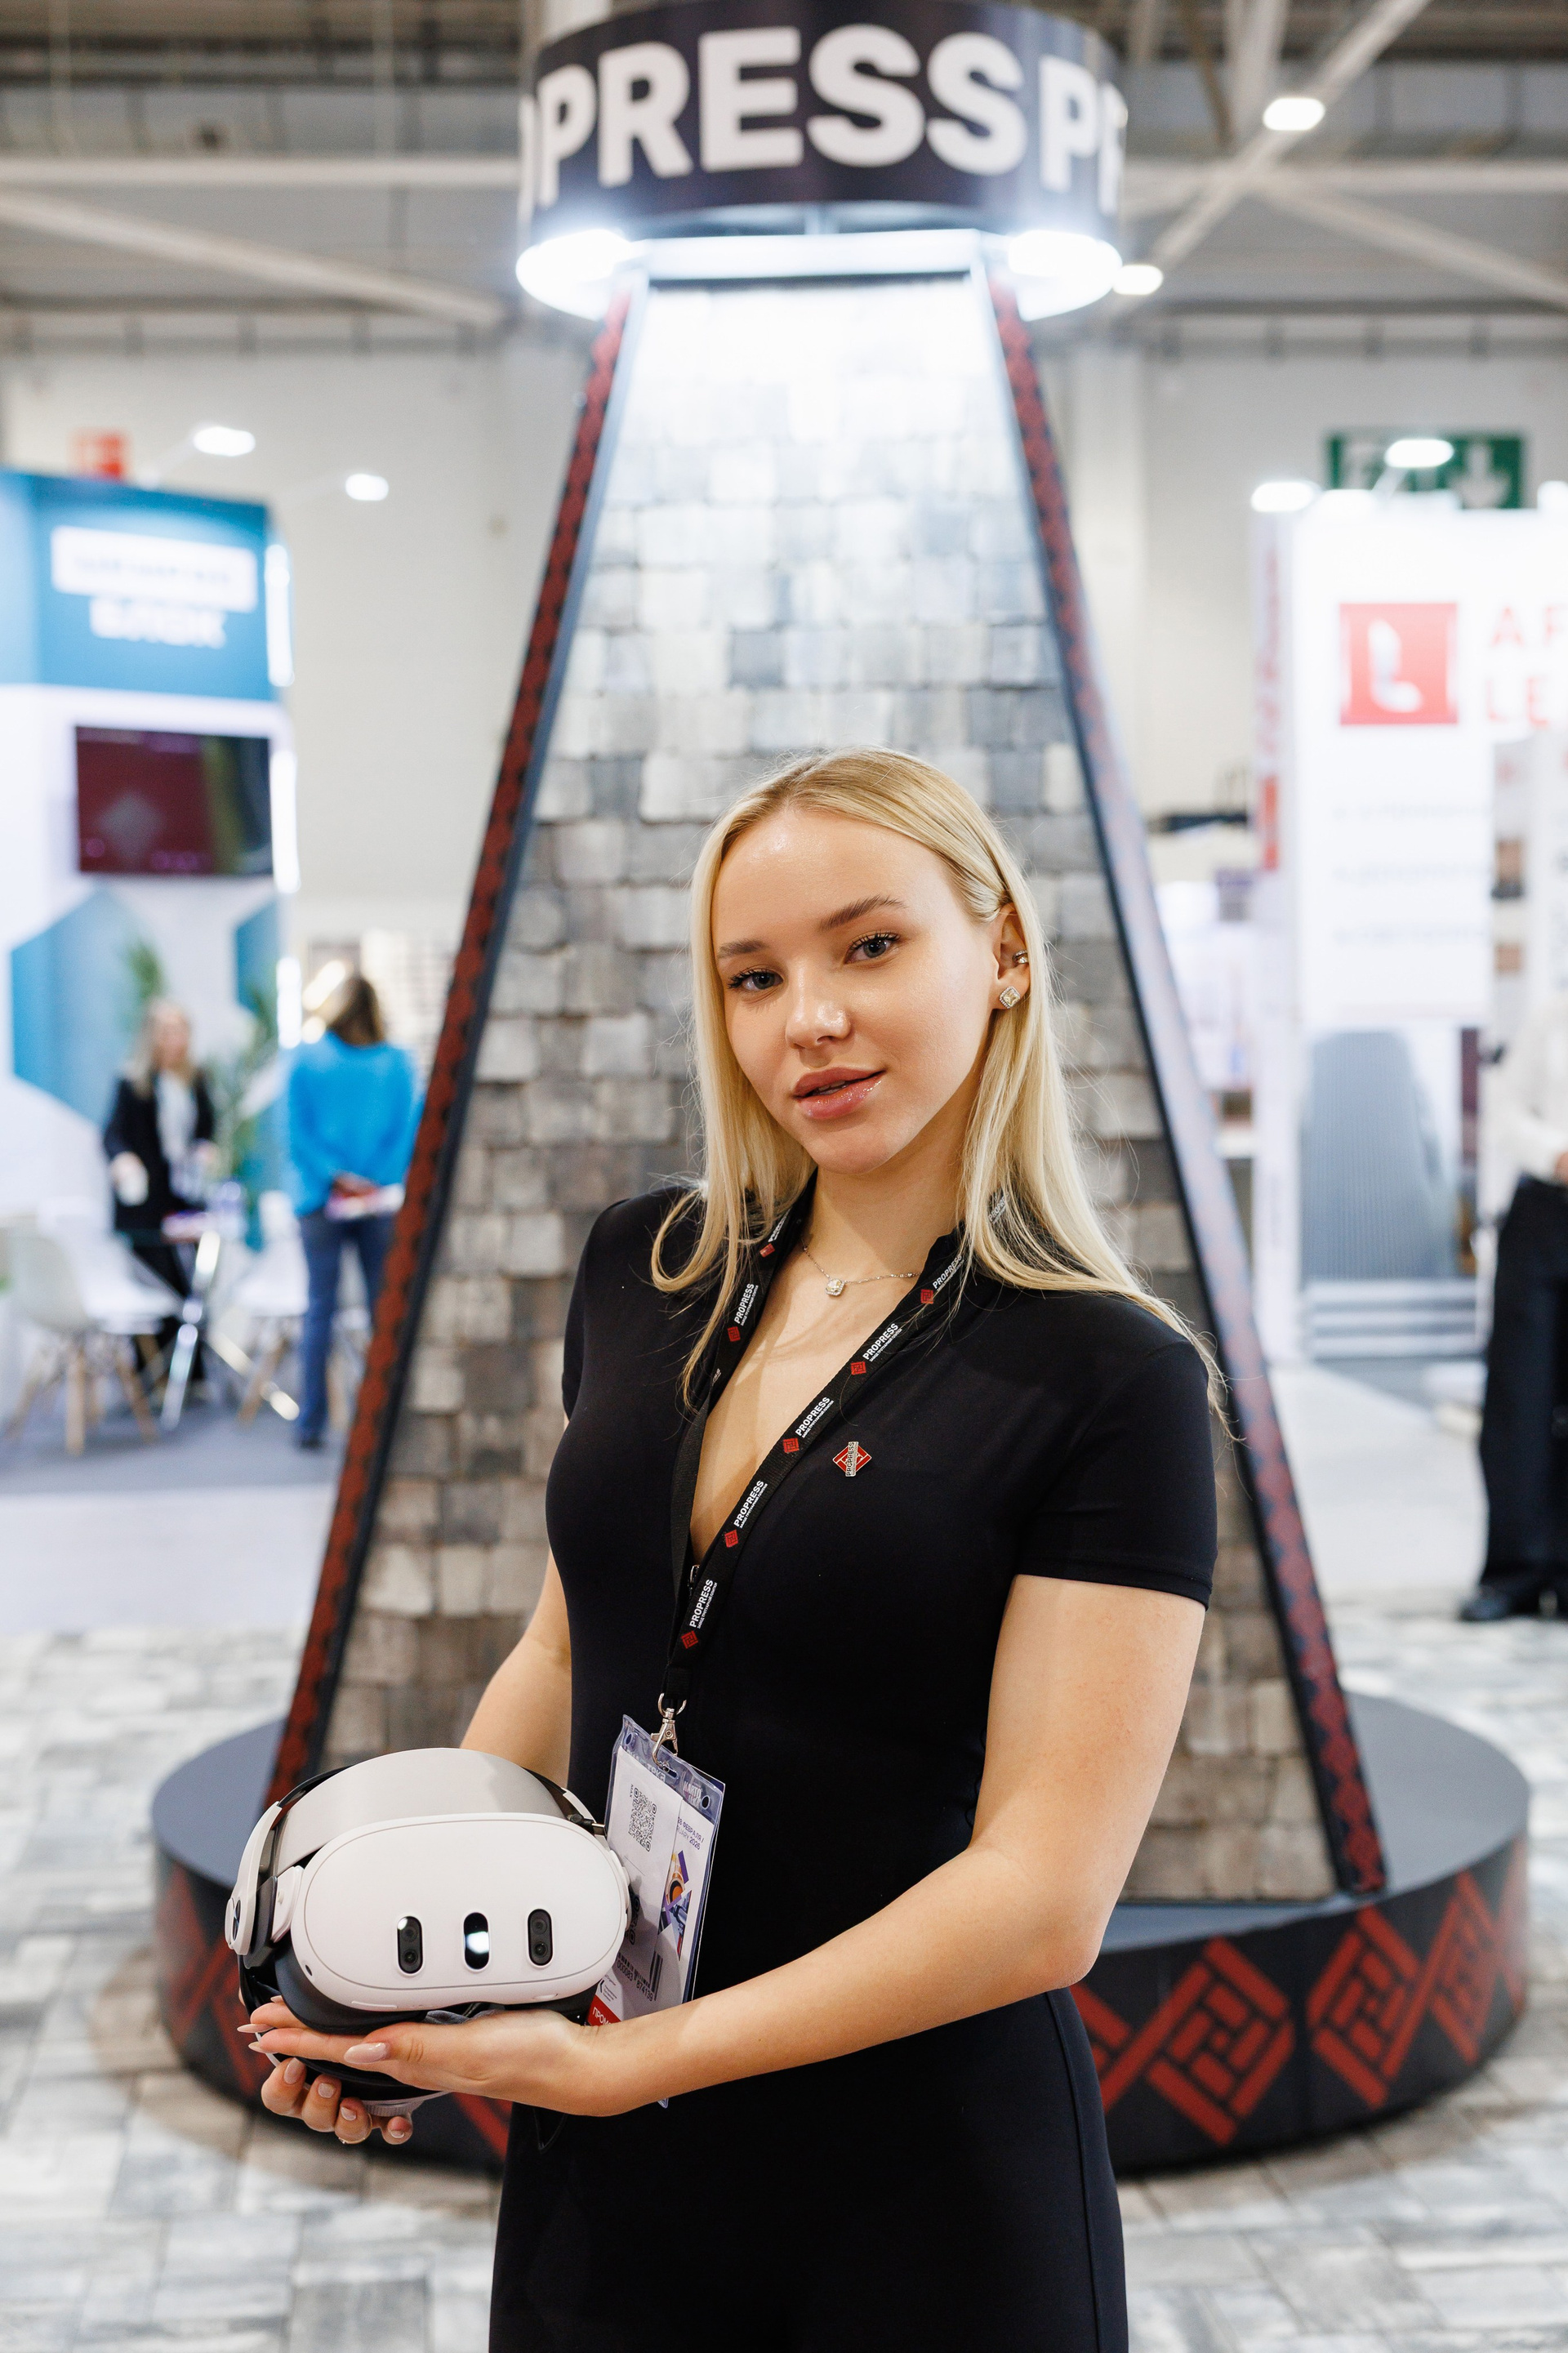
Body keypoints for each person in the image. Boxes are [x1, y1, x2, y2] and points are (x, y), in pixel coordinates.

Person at [248, 751, 1217, 2353]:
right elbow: (566, 1648)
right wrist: (412, 1990)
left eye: (869, 947)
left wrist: (629, 2062)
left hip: (917, 2187)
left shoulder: (1109, 1376)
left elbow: (1046, 1897)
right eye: (753, 977)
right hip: (606, 2162)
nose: (807, 1019)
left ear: (1002, 952)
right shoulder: (647, 1267)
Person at [1462, 993, 1568, 1620]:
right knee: (1518, 1401)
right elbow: (1504, 1112)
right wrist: (1557, 1154)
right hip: (1544, 1214)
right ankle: (1514, 1573)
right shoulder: (1553, 1014)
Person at [285, 974, 419, 1451]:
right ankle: (385, 1417)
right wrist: (372, 1180)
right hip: (376, 1201)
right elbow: (408, 1132)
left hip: (320, 1199)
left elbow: (296, 1134)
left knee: (320, 1308)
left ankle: (310, 1423)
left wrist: (336, 1176)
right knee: (384, 1307)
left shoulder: (305, 1060)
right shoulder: (398, 1063)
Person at [104, 999, 218, 1368]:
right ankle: (154, 1374)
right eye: (167, 1031)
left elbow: (207, 1129)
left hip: (186, 1198)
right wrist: (124, 1160)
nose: (175, 1039)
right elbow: (113, 1135)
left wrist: (205, 1150)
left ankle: (193, 1375)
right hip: (146, 1205)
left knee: (193, 1289)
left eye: (181, 1031)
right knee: (158, 1286)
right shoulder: (133, 1082)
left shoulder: (195, 1080)